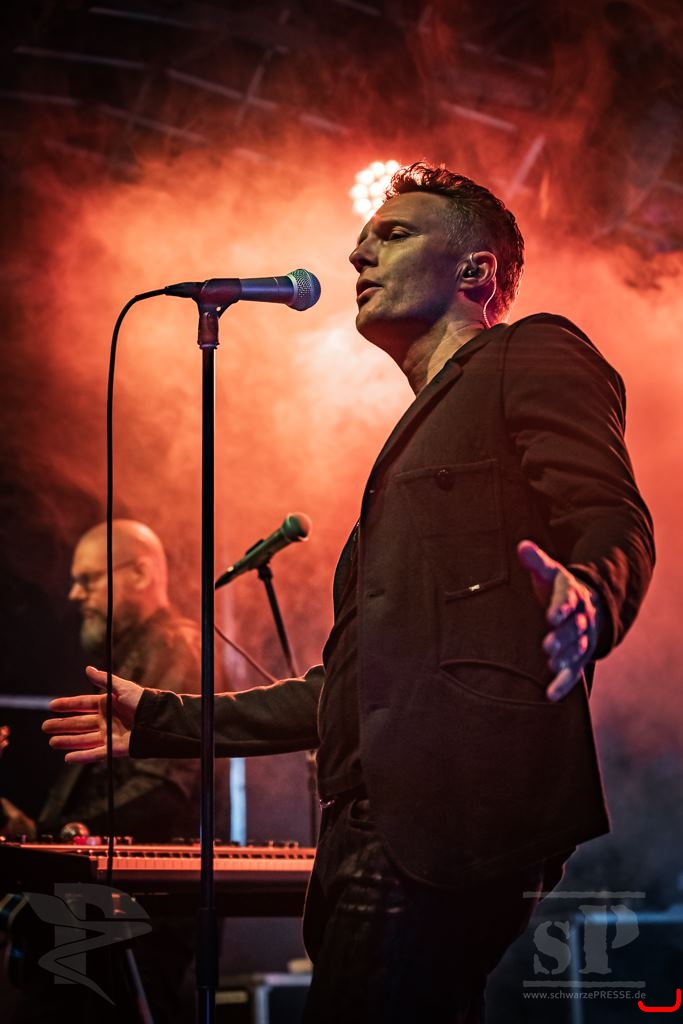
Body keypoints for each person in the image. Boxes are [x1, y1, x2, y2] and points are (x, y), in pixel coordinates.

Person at [44, 163, 655, 1024]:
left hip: (446, 812)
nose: (357, 255)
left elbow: (612, 516)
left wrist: (590, 597)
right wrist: (162, 721)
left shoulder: (531, 351)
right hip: (377, 827)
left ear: (476, 271)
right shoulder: (415, 438)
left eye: (393, 234)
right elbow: (349, 689)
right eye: (363, 240)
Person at [7, 519, 209, 1023]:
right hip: (104, 902)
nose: (74, 594)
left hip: (135, 910)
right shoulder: (135, 655)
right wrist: (40, 833)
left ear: (139, 573)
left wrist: (53, 838)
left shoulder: (175, 646)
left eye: (89, 579)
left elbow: (165, 785)